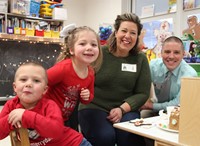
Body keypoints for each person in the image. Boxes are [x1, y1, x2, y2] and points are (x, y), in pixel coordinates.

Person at [78, 13, 151, 146]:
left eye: (133, 33)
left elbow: (143, 93)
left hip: (126, 109)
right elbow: (81, 77)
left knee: (129, 137)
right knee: (105, 137)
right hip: (95, 106)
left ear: (137, 36)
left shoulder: (140, 59)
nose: (127, 36)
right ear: (116, 32)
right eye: (124, 30)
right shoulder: (99, 53)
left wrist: (121, 109)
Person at [0, 62, 92, 146]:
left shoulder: (49, 105)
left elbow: (56, 131)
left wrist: (26, 116)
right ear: (15, 87)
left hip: (74, 143)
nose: (29, 84)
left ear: (44, 90)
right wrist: (12, 118)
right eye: (23, 80)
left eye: (36, 81)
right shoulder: (11, 106)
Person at [44, 25, 103, 131]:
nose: (89, 47)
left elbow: (88, 98)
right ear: (71, 50)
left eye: (94, 44)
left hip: (64, 119)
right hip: (46, 117)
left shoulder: (90, 73)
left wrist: (87, 96)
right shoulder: (63, 68)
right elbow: (39, 82)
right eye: (82, 44)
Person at [140, 36, 198, 118]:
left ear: (183, 54)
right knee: (140, 117)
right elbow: (141, 87)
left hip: (179, 113)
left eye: (176, 52)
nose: (171, 56)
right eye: (167, 52)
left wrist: (151, 106)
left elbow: (178, 103)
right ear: (161, 53)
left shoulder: (190, 75)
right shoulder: (153, 66)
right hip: (156, 110)